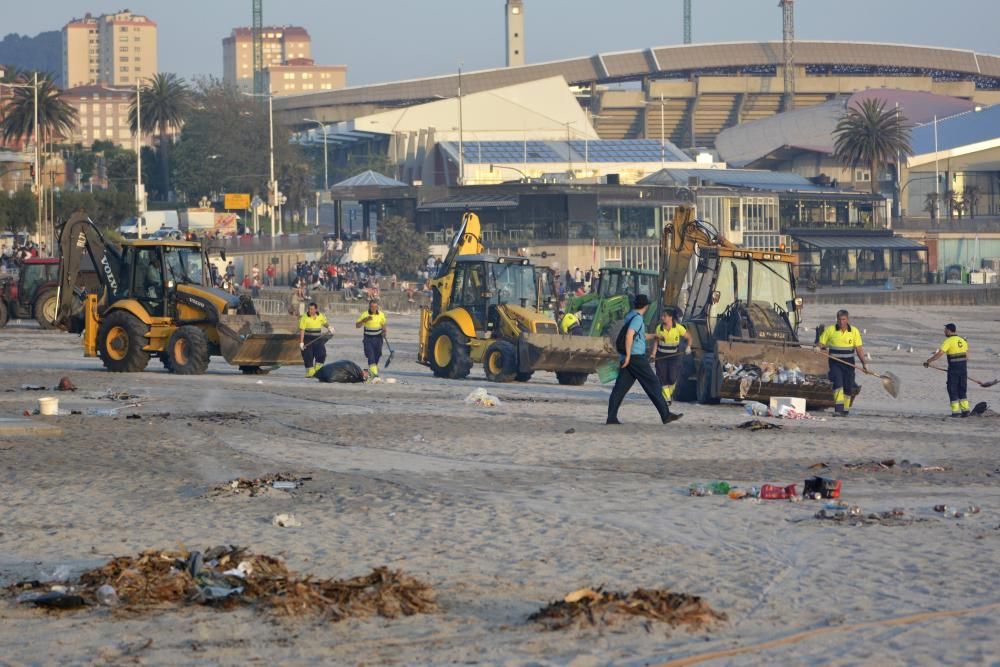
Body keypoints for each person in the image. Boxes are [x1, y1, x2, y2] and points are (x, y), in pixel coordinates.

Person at [607, 294, 682, 425]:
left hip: (630, 358)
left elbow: (639, 335)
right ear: (646, 306)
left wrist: (654, 336)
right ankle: (665, 415)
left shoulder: (630, 316)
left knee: (620, 388)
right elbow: (629, 335)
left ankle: (611, 417)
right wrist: (629, 356)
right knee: (653, 384)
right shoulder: (637, 319)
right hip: (636, 357)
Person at [817, 309, 868, 416]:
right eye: (839, 319)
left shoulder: (854, 331)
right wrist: (818, 347)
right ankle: (838, 409)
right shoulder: (830, 330)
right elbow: (821, 343)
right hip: (835, 362)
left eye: (843, 319)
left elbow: (859, 348)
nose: (841, 322)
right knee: (838, 384)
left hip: (849, 363)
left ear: (847, 319)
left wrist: (864, 363)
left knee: (848, 386)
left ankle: (845, 410)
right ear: (837, 319)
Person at [924, 323, 971, 417]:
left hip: (953, 369)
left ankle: (956, 412)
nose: (944, 332)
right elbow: (967, 356)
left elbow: (940, 353)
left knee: (952, 389)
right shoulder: (962, 340)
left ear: (949, 330)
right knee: (962, 389)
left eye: (945, 330)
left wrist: (929, 361)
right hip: (963, 369)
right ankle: (966, 411)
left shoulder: (948, 341)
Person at [652, 307, 692, 405]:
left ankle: (669, 394)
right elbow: (656, 342)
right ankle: (667, 399)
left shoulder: (678, 328)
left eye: (664, 316)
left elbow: (689, 337)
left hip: (674, 357)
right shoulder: (659, 328)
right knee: (662, 378)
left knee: (672, 378)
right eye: (662, 316)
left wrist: (688, 347)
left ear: (670, 317)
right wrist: (653, 354)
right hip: (661, 356)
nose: (662, 318)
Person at [298, 302, 333, 377]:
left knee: (322, 353)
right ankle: (309, 372)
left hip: (318, 338)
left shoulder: (320, 316)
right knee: (308, 356)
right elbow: (302, 330)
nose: (310, 311)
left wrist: (329, 327)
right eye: (309, 309)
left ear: (316, 309)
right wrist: (301, 342)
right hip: (307, 338)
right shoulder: (304, 317)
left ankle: (318, 369)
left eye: (312, 309)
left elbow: (324, 323)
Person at [356, 299, 387, 377]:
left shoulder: (381, 314)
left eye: (375, 307)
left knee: (378, 354)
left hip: (378, 339)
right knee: (370, 355)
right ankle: (374, 374)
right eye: (372, 307)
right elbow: (357, 326)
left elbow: (383, 325)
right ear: (369, 307)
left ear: (377, 307)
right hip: (368, 339)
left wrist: (384, 331)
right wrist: (365, 320)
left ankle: (372, 369)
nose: (373, 308)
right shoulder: (365, 314)